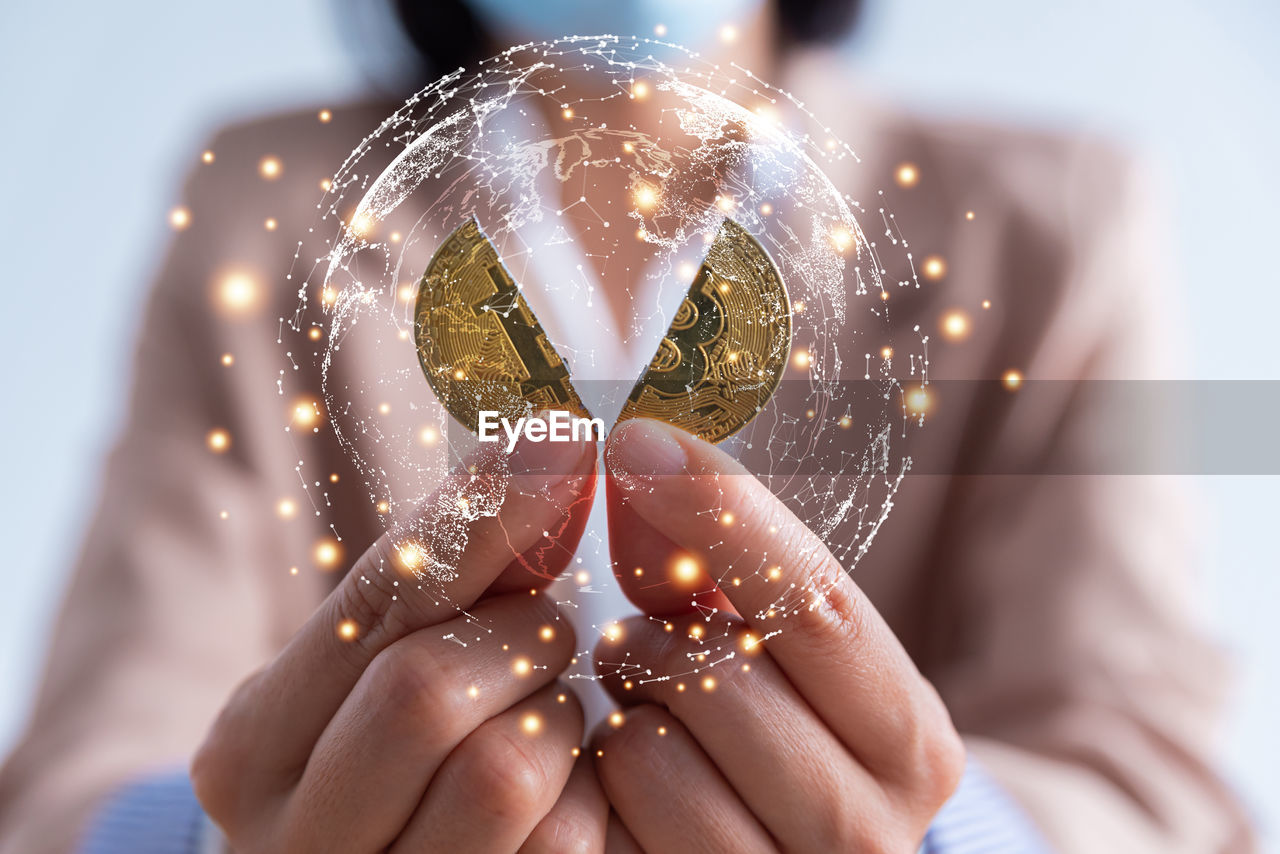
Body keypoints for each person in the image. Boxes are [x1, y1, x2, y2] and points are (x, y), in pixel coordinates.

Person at [0, 1, 1257, 851]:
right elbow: (79, 769)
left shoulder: (1056, 220)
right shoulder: (263, 206)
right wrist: (227, 828)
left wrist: (936, 827)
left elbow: (1150, 783)